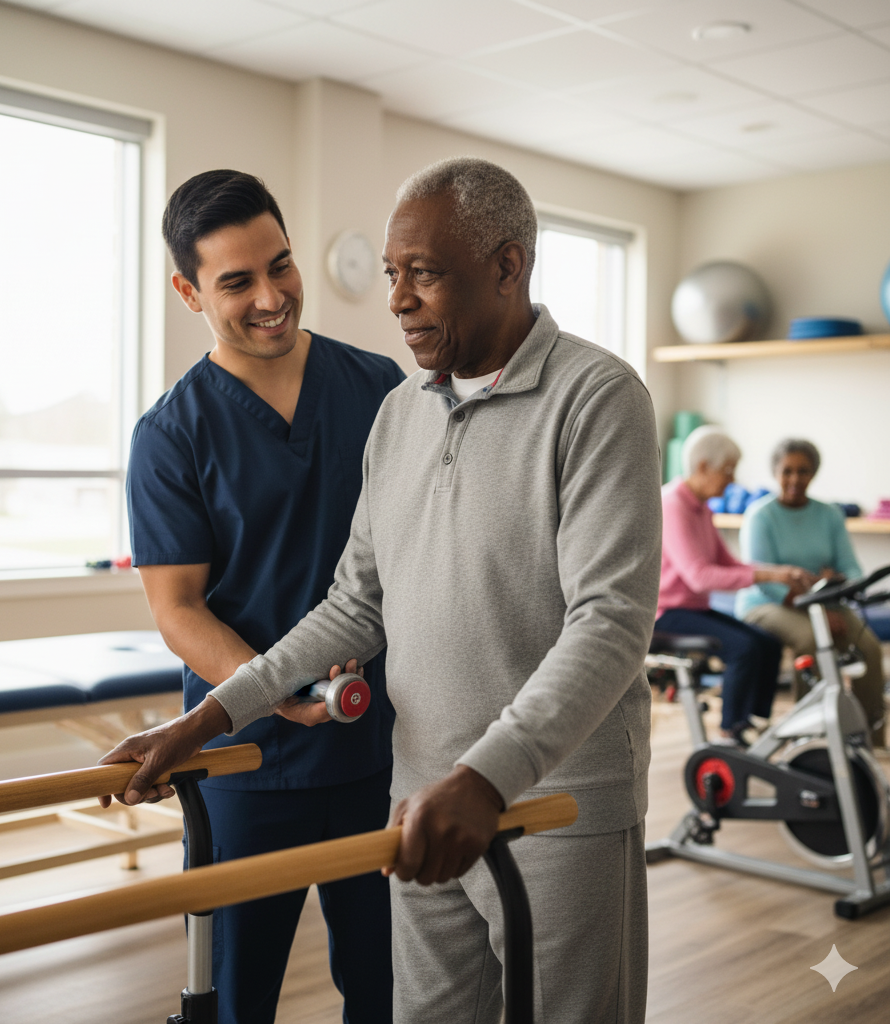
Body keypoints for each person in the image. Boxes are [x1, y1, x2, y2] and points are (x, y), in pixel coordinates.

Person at [102, 156, 663, 1024]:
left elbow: (610, 624)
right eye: (394, 273)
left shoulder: (594, 398)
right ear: (191, 292)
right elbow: (354, 603)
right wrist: (211, 717)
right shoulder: (401, 411)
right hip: (416, 788)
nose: (397, 299)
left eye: (422, 274)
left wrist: (484, 778)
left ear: (507, 267)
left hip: (548, 796)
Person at [113, 169, 404, 1023]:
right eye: (238, 281)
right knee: (237, 1000)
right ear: (189, 291)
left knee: (393, 992)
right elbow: (177, 609)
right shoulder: (171, 435)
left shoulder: (381, 388)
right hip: (244, 763)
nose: (272, 298)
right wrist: (272, 693)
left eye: (281, 266)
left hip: (383, 749)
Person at [656, 425, 813, 744]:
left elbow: (728, 563)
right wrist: (768, 576)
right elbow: (699, 576)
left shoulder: (701, 507)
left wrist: (779, 572)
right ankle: (732, 731)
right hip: (666, 613)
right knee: (744, 648)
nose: (732, 480)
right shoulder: (673, 505)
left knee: (768, 643)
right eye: (728, 470)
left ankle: (755, 722)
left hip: (693, 609)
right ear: (703, 467)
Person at [736, 438, 886, 748]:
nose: (795, 479)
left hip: (822, 602)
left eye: (803, 471)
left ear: (813, 473)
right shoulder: (760, 516)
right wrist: (819, 610)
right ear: (775, 472)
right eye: (787, 471)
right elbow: (766, 581)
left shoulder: (830, 514)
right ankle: (808, 739)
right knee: (811, 640)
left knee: (869, 649)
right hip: (767, 602)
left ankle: (869, 741)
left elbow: (852, 569)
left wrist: (837, 580)